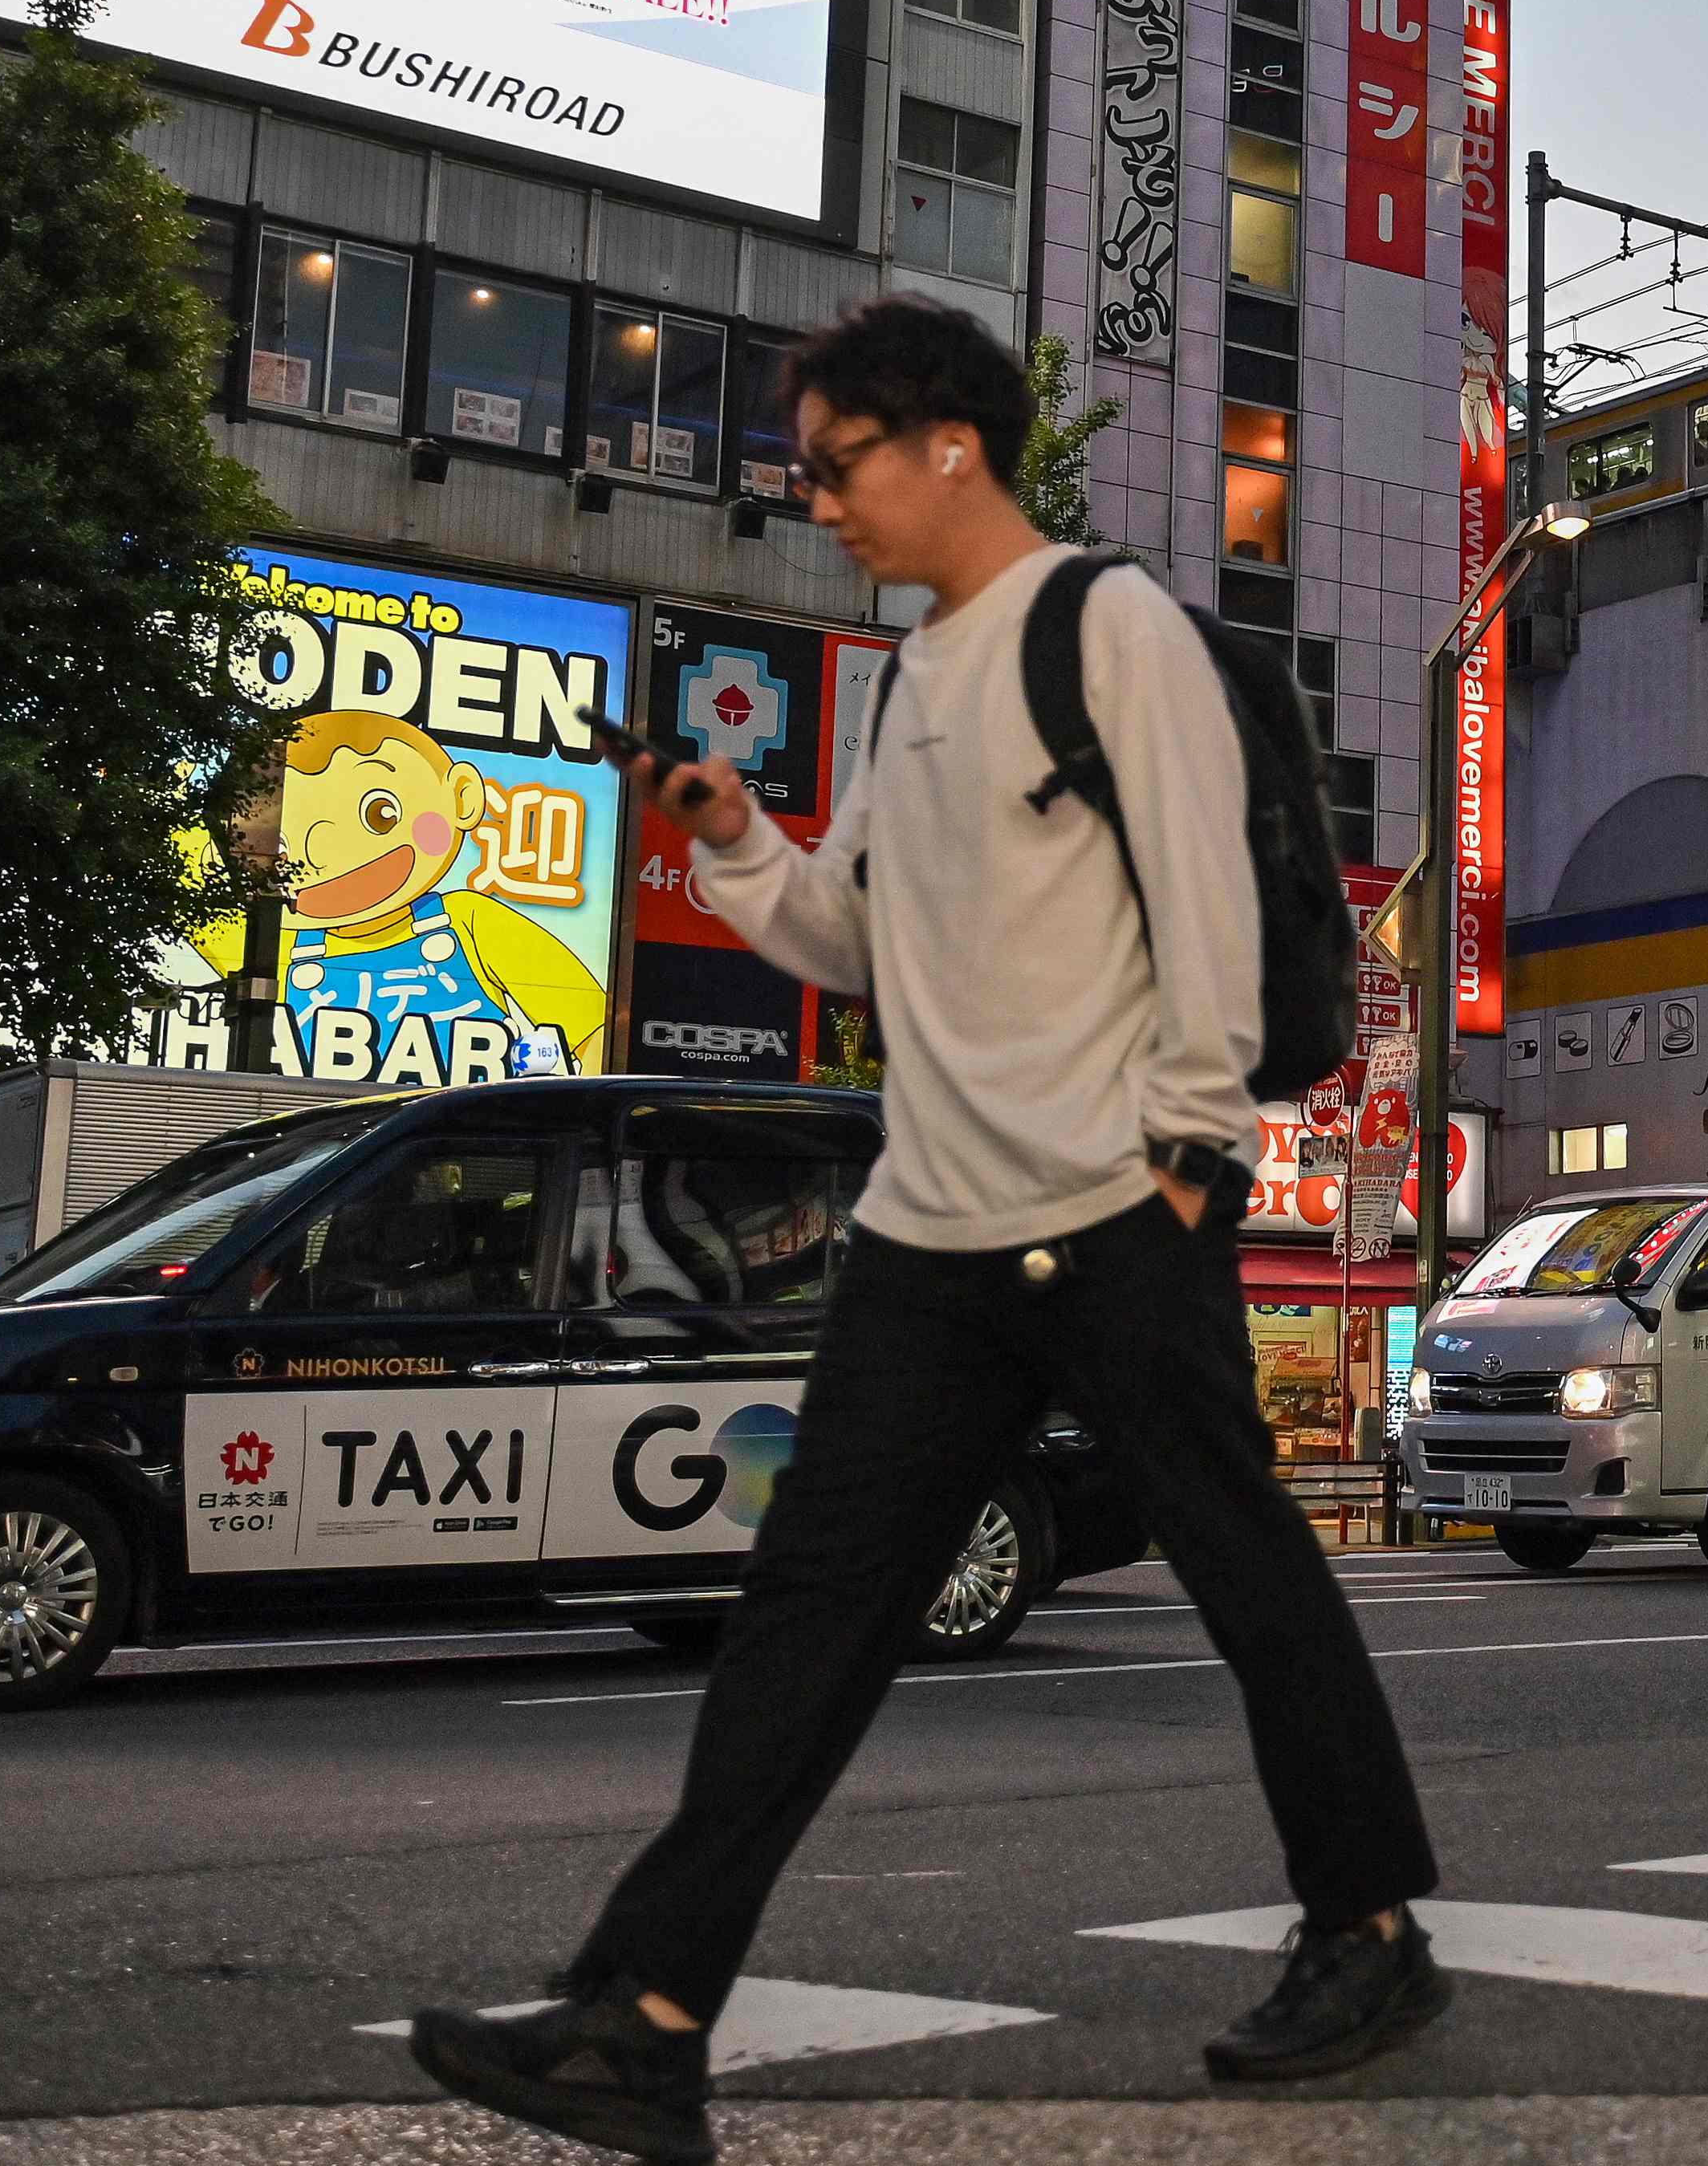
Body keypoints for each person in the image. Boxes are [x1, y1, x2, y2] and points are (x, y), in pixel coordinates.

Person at [407, 302, 1448, 2160]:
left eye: (835, 459)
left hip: (1110, 1213)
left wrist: (1191, 1150)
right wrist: (735, 842)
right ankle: (642, 2019)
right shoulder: (909, 676)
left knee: (1238, 1561)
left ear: (948, 442)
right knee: (806, 1614)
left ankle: (1366, 1925)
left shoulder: (1102, 627)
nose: (817, 498)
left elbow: (1208, 899)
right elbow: (860, 940)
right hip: (930, 1231)